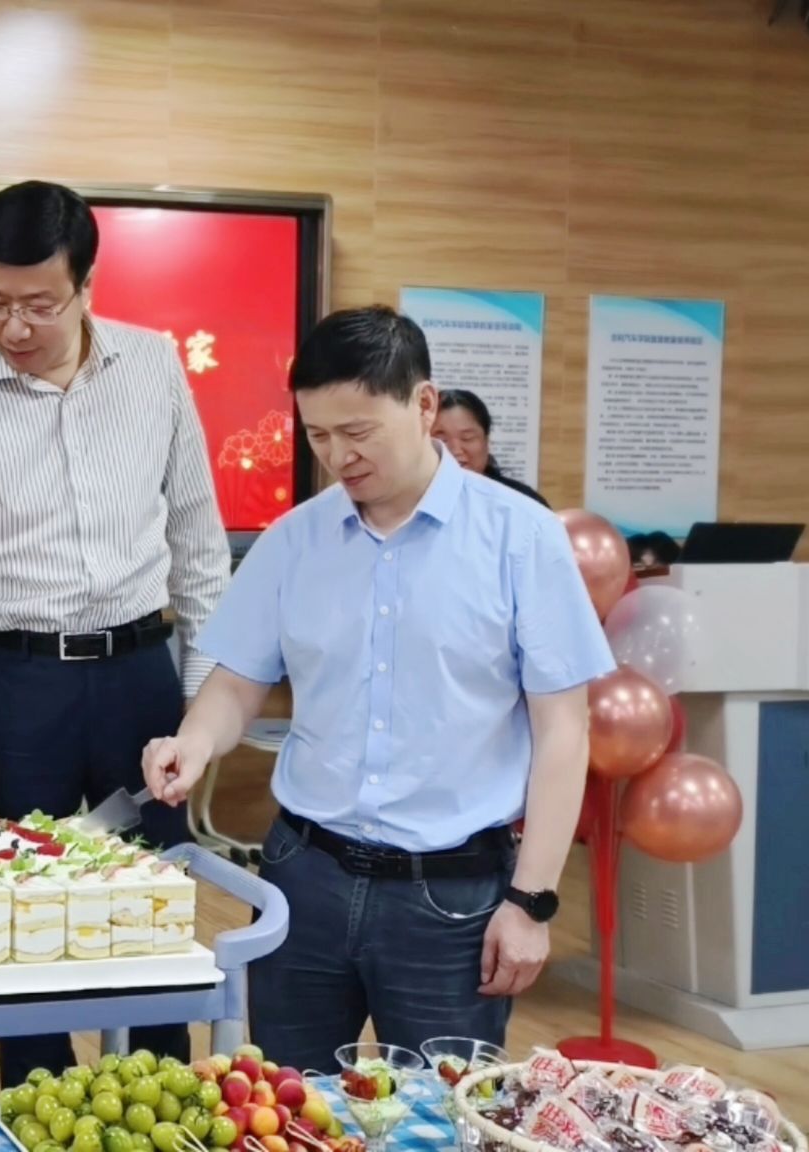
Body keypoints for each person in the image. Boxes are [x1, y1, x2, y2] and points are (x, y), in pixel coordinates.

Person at [141, 306, 615, 1075]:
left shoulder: (520, 538)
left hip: (451, 898)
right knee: (286, 1105)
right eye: (318, 435)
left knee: (436, 1115)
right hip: (304, 879)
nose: (338, 455)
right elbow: (237, 682)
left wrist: (531, 903)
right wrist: (193, 742)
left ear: (424, 405)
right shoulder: (295, 540)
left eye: (358, 431)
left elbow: (564, 731)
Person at [0, 180, 229, 1087]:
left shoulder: (153, 368)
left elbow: (199, 544)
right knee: (22, 912)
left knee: (149, 906)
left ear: (86, 287)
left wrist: (202, 710)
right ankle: (36, 1104)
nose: (14, 326)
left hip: (139, 674)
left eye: (38, 303)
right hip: (18, 683)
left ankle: (156, 1105)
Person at [434, 388, 548, 507]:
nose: (455, 450)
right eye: (441, 440)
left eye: (467, 438)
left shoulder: (523, 501)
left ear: (487, 441)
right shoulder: (421, 499)